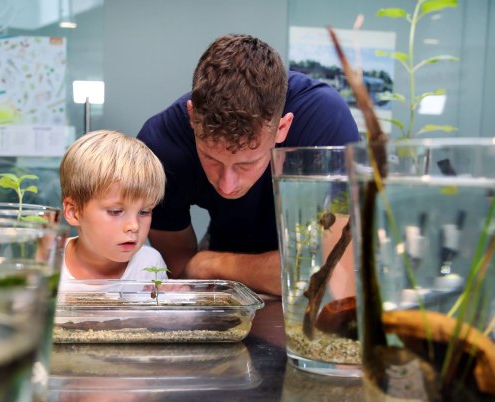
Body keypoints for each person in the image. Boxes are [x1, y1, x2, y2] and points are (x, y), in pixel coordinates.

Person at [137, 34, 360, 295]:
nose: (227, 186)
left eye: (247, 163)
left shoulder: (323, 124)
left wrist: (210, 264)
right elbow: (184, 271)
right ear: (191, 117)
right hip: (227, 249)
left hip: (273, 259)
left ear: (283, 128)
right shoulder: (162, 146)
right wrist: (201, 267)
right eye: (211, 158)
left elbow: (329, 269)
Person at [58, 130, 168, 286]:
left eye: (144, 212)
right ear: (74, 212)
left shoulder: (149, 264)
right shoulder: (48, 265)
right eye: (115, 212)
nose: (134, 226)